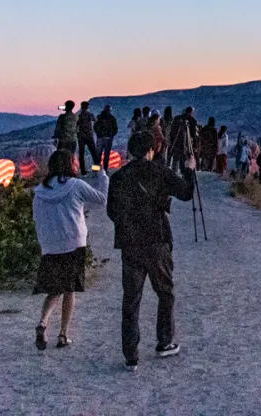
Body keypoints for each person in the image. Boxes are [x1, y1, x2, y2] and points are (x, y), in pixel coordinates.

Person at [106, 130, 194, 371]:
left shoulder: (119, 177)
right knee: (165, 292)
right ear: (151, 149)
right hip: (157, 239)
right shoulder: (159, 172)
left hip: (130, 244)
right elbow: (186, 193)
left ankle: (131, 355)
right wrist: (189, 169)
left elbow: (111, 212)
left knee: (131, 299)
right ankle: (164, 341)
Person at [32, 149, 109, 351]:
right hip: (73, 243)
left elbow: (37, 218)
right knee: (69, 289)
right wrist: (102, 174)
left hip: (50, 245)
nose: (77, 164)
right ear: (69, 164)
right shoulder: (76, 185)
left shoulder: (40, 190)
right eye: (75, 161)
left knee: (54, 288)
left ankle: (43, 322)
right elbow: (101, 199)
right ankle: (63, 335)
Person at [95, 104, 119, 171]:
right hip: (107, 138)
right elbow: (115, 129)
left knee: (99, 154)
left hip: (102, 138)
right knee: (105, 155)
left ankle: (96, 170)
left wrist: (99, 134)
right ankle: (104, 169)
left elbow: (95, 127)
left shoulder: (99, 117)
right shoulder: (112, 118)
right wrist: (111, 135)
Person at [75, 101, 97, 172]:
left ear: (81, 107)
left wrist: (77, 134)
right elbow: (96, 121)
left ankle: (83, 171)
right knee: (94, 153)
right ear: (87, 107)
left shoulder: (78, 116)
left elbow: (76, 126)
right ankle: (96, 169)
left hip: (81, 136)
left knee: (81, 154)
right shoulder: (90, 115)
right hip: (89, 136)